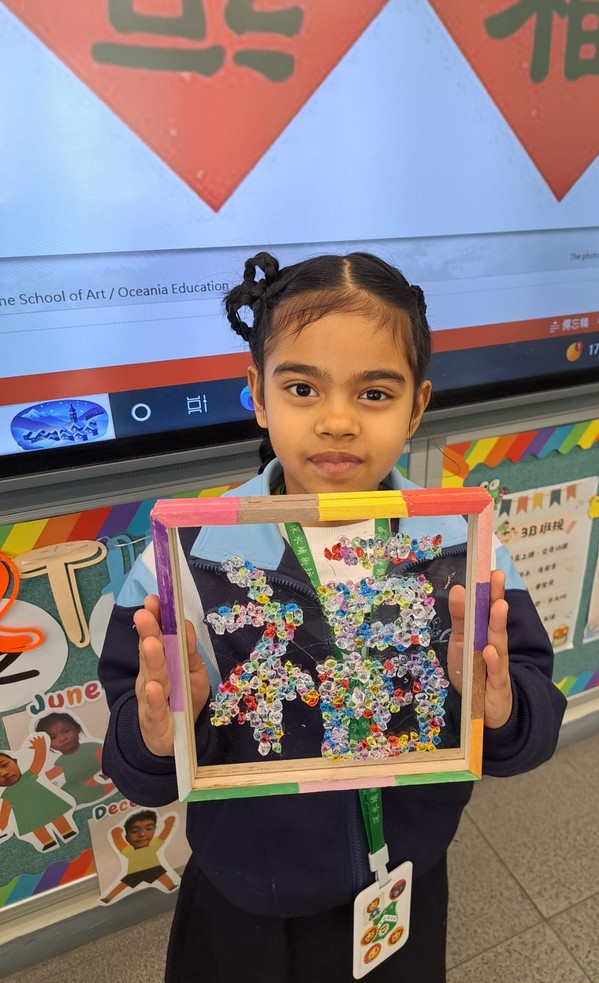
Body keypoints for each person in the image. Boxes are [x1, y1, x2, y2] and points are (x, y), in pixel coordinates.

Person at [99, 251, 567, 982]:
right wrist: (160, 737)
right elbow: (136, 761)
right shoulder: (185, 559)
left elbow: (530, 722)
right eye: (301, 387)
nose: (338, 421)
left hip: (403, 881)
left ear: (417, 407)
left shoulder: (461, 548)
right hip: (245, 892)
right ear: (258, 396)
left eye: (375, 393)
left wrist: (501, 707)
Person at [0, 738, 78, 851]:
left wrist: (40, 747)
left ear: (16, 762)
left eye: (4, 765)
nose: (4, 773)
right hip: (28, 815)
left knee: (57, 816)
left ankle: (66, 831)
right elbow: (5, 810)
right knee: (36, 827)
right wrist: (2, 824)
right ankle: (47, 842)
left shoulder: (29, 776)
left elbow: (38, 763)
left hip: (47, 804)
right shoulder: (8, 793)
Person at [36, 711, 116, 805]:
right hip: (78, 797)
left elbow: (110, 764)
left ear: (77, 728)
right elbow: (49, 776)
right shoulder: (60, 761)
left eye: (66, 731)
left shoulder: (92, 747)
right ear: (47, 743)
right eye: (53, 738)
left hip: (104, 786)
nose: (62, 739)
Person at [100, 809, 179, 904]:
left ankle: (171, 886)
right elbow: (119, 844)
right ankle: (108, 898)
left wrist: (169, 825)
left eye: (149, 828)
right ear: (127, 836)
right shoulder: (130, 851)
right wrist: (116, 835)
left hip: (153, 868)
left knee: (163, 877)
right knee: (122, 886)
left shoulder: (152, 846)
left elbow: (163, 836)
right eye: (134, 831)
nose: (142, 834)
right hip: (135, 872)